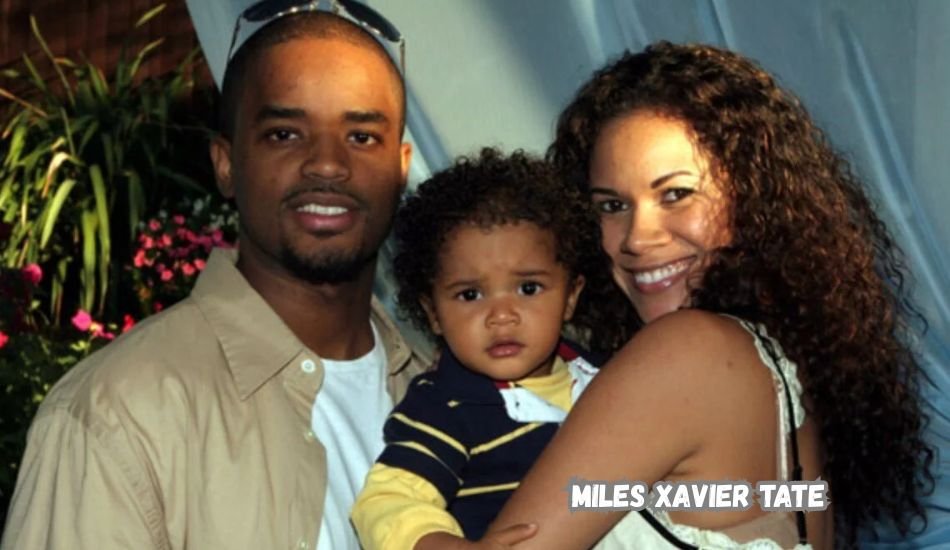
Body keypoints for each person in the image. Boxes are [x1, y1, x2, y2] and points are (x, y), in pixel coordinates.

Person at [1, 7, 430, 550]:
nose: (327, 164)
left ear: (400, 165)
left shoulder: (452, 382)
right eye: (285, 133)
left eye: (362, 136)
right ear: (226, 165)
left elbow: (576, 496)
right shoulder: (116, 413)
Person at [484, 41, 934, 549]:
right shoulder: (782, 375)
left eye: (675, 194)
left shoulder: (687, 349)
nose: (636, 237)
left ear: (752, 198)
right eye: (612, 205)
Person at [351, 148, 634, 550]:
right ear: (433, 313)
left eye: (528, 288)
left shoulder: (615, 377)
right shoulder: (446, 407)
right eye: (470, 294)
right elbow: (388, 501)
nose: (501, 315)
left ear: (571, 296)